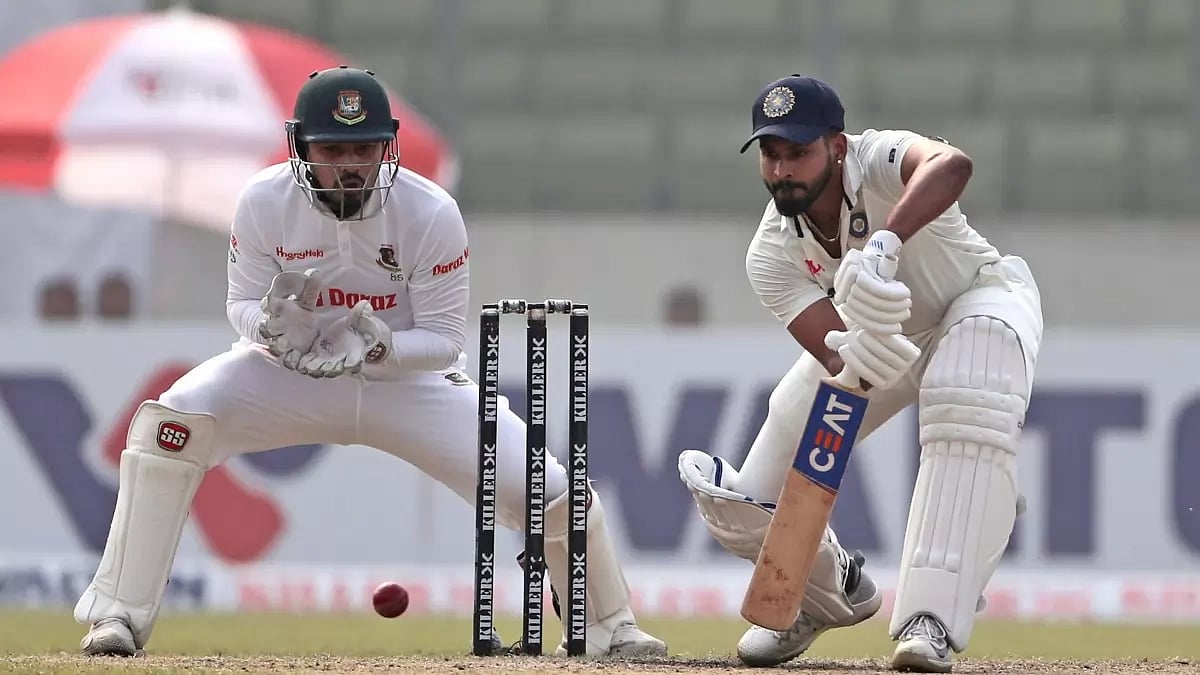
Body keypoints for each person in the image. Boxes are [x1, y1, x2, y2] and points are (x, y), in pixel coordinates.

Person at [74, 65, 666, 660]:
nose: (351, 164)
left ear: (388, 147)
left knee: (548, 488)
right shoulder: (262, 201)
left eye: (365, 147)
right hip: (287, 375)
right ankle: (117, 616)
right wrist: (271, 328)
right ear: (302, 148)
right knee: (169, 427)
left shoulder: (430, 212)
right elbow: (240, 303)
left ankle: (608, 628)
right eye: (333, 149)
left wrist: (383, 346)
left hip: (405, 382)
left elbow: (443, 338)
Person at [678, 75, 1042, 672]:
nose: (781, 170)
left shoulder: (875, 158)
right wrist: (858, 358)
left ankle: (931, 622)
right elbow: (837, 360)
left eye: (799, 152)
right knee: (749, 500)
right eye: (771, 154)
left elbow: (953, 164)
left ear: (837, 147)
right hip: (883, 340)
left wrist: (887, 240)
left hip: (979, 299)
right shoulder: (770, 253)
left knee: (965, 387)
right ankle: (825, 593)